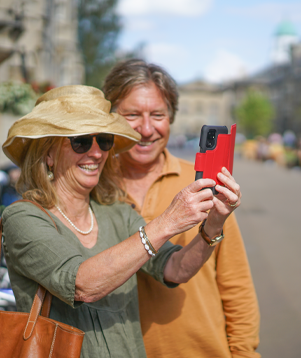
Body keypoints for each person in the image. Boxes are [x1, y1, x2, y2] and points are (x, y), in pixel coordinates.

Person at [1, 85, 241, 358]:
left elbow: (176, 269)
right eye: (81, 141)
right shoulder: (23, 216)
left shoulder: (116, 212)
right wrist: (168, 222)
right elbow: (81, 284)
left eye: (103, 140)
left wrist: (214, 224)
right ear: (48, 153)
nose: (96, 153)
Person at [103, 59, 260, 358]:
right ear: (111, 117)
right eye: (132, 114)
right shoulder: (92, 186)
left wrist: (243, 353)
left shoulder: (204, 184)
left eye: (158, 114)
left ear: (171, 117)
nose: (146, 129)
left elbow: (236, 284)